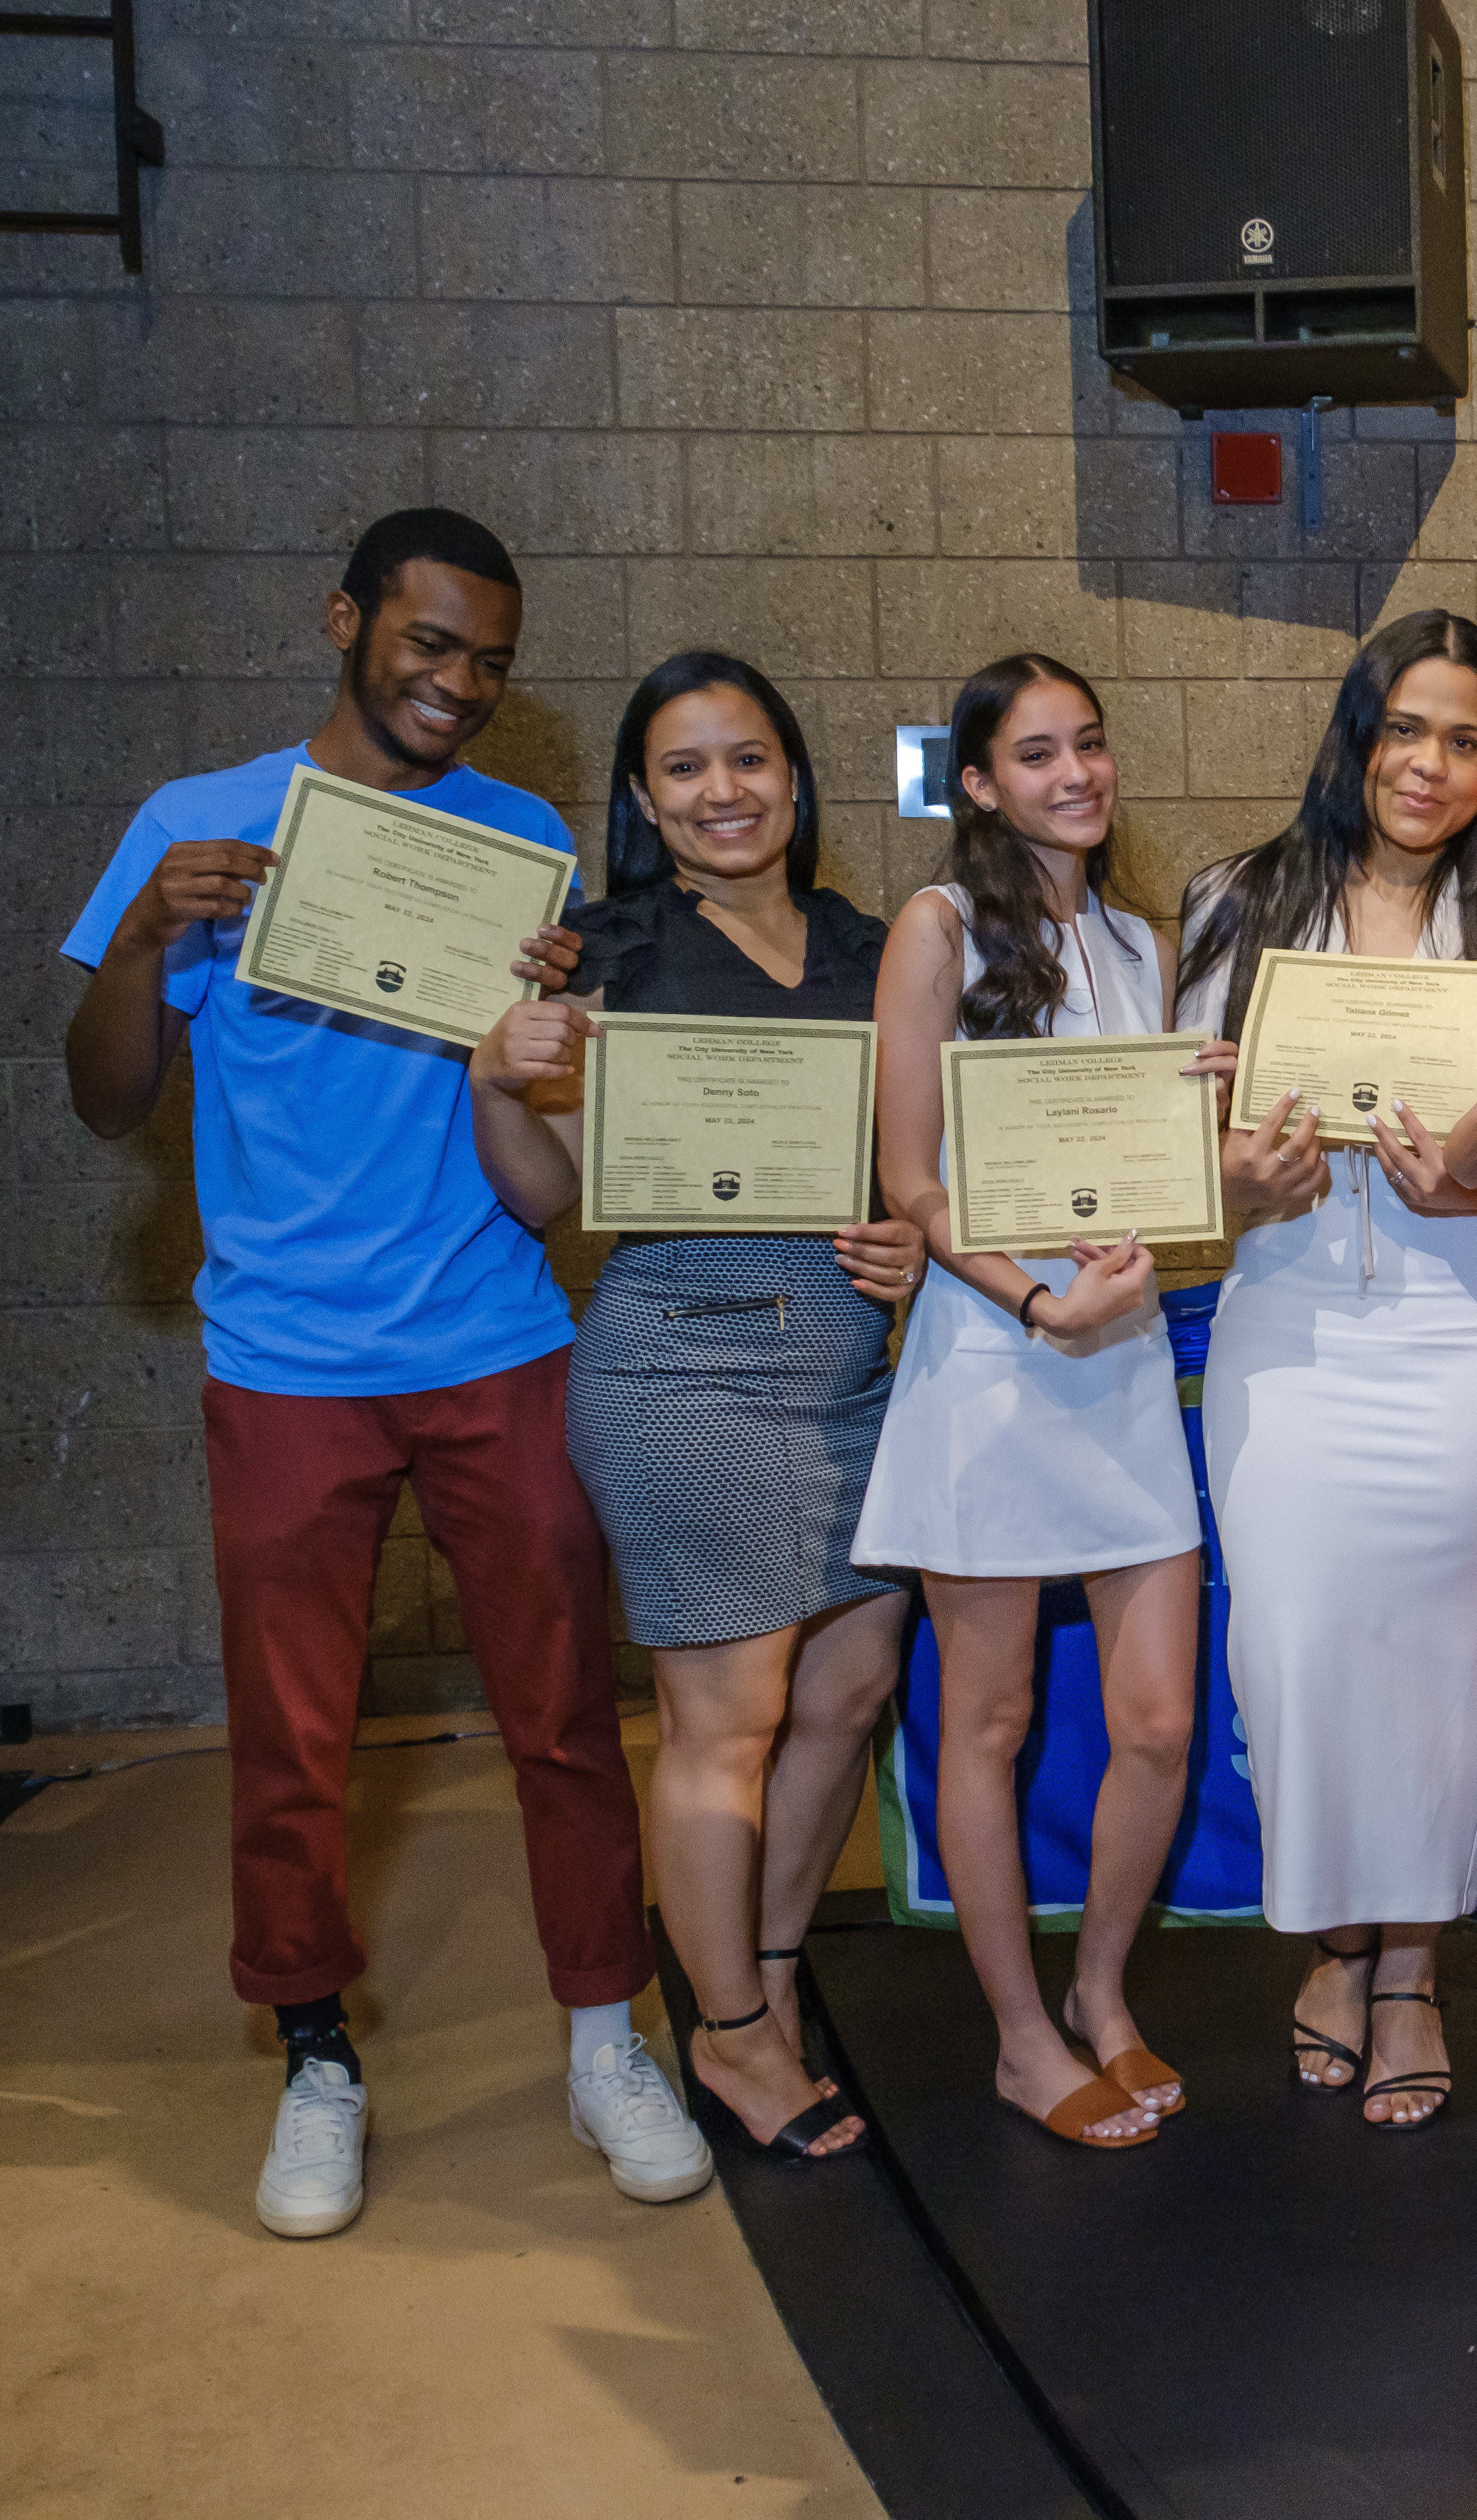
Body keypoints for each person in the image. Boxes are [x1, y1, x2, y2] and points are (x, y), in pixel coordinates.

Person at [56, 506, 709, 2239]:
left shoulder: (521, 843)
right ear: (344, 620)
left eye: (489, 659)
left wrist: (554, 1028)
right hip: (284, 1359)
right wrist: (141, 941)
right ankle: (315, 2054)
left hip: (497, 1334)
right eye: (430, 644)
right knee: (293, 1738)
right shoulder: (195, 829)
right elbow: (106, 1099)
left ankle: (599, 2033)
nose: (458, 684)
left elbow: (540, 1105)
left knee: (568, 1717)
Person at [466, 652, 923, 2164]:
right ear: (645, 799)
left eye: (750, 760)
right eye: (685, 768)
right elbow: (548, 1194)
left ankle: (770, 1979)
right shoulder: (598, 952)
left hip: (860, 1368)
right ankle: (725, 2035)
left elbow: (920, 1164)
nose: (723, 792)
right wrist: (495, 1080)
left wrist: (914, 1242)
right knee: (728, 1721)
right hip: (685, 1359)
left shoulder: (872, 947)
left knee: (847, 1695)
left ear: (796, 777)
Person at [1177, 610, 1477, 2129]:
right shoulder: (1237, 897)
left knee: (1457, 1662)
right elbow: (1184, 1159)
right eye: (1408, 728)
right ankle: (1334, 1937)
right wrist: (1240, 1172)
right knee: (1297, 1647)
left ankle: (1403, 1967)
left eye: (1467, 740)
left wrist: (1476, 1165)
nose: (1432, 765)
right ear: (1359, 731)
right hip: (1293, 1325)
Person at [855, 652, 1205, 2152]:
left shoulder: (1138, 936)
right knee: (987, 1721)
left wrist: (1204, 1114)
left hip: (1120, 1360)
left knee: (1160, 1719)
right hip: (997, 1362)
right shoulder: (935, 927)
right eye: (1038, 754)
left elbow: (1143, 1173)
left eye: (1093, 745)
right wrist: (1041, 1301)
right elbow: (913, 1176)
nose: (1077, 775)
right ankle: (1016, 2034)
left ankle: (1105, 1994)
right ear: (980, 781)